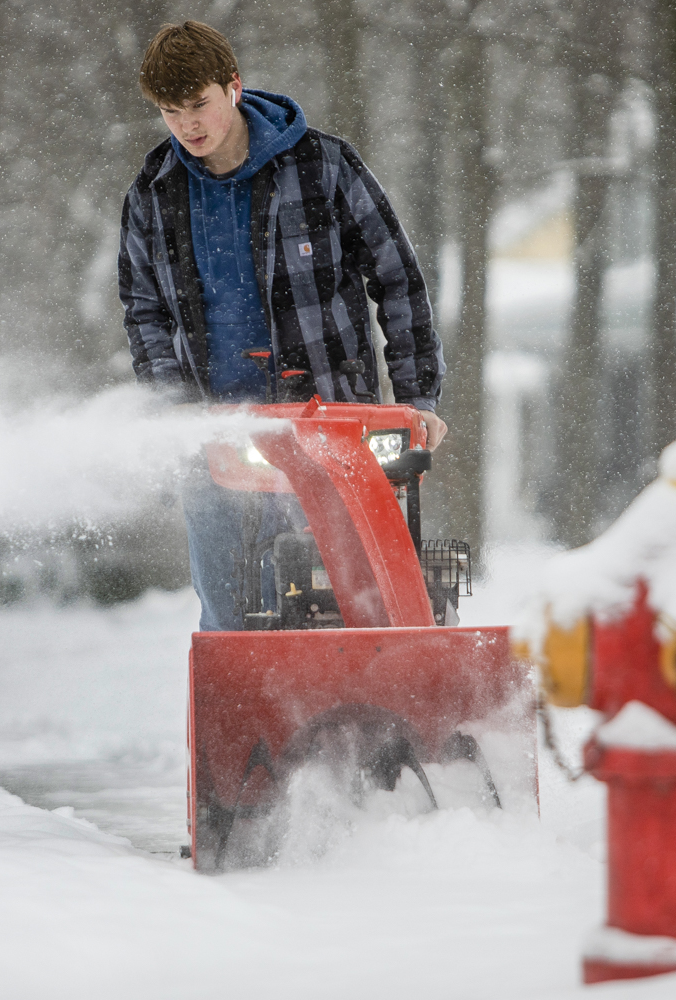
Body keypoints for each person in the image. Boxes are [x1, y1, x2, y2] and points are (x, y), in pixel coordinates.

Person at [117, 20, 445, 631]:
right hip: (215, 437)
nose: (187, 125)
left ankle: (368, 721)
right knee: (232, 613)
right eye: (170, 111)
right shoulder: (153, 193)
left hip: (331, 425)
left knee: (351, 605)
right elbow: (144, 312)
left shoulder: (323, 166)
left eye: (198, 104)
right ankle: (250, 726)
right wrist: (173, 408)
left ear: (233, 87)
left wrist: (418, 395)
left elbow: (397, 278)